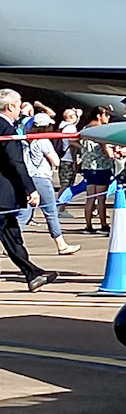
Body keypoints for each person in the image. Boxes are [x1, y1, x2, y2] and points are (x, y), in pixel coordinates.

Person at [0, 90, 55, 291]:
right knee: (10, 234)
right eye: (19, 103)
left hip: (3, 193)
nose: (22, 107)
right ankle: (32, 273)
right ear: (10, 107)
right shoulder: (6, 129)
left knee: (11, 235)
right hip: (3, 192)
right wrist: (30, 189)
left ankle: (33, 273)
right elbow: (16, 162)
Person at [22, 113, 78, 256]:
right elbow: (56, 161)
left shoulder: (26, 139)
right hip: (41, 178)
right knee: (50, 211)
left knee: (25, 212)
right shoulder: (43, 141)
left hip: (29, 177)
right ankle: (61, 245)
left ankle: (11, 241)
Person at [77, 104, 116, 234]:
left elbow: (75, 140)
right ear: (99, 115)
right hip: (101, 167)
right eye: (106, 115)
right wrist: (113, 155)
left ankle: (88, 225)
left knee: (90, 197)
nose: (108, 118)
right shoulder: (101, 130)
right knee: (101, 198)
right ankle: (103, 224)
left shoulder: (85, 128)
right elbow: (106, 149)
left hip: (87, 167)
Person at [56, 107, 80, 195]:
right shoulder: (70, 128)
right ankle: (61, 206)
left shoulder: (62, 126)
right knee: (67, 185)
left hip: (63, 157)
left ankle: (61, 205)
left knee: (64, 184)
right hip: (68, 159)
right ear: (69, 117)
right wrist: (82, 148)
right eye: (74, 116)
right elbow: (72, 142)